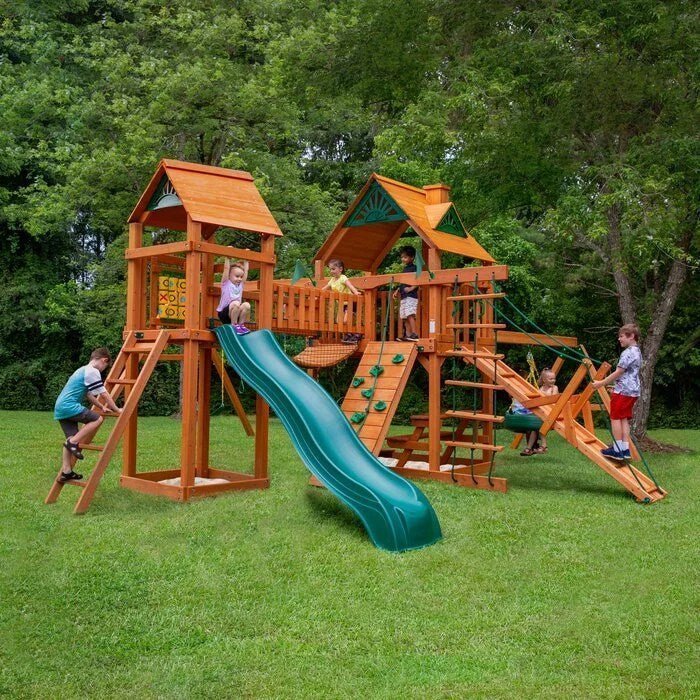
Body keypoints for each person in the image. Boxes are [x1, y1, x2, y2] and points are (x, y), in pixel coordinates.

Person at [54, 347, 122, 483]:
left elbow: (89, 394)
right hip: (69, 406)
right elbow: (104, 393)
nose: (102, 370)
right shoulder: (93, 371)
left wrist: (101, 406)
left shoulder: (82, 370)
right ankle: (73, 443)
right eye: (105, 367)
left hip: (60, 408)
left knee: (70, 438)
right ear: (104, 360)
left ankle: (66, 472)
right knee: (97, 419)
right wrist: (116, 409)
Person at [591, 323, 642, 460]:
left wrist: (601, 383)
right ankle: (624, 449)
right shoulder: (637, 351)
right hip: (632, 391)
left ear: (631, 336)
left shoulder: (628, 352)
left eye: (621, 336)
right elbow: (627, 374)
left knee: (615, 418)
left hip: (624, 391)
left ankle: (617, 450)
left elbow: (619, 372)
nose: (619, 339)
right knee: (623, 418)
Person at [321, 258, 362, 343]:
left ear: (340, 269)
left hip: (350, 302)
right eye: (330, 269)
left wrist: (355, 292)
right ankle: (349, 334)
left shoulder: (343, 278)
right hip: (342, 304)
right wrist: (317, 294)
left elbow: (350, 285)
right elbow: (324, 289)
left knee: (345, 320)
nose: (331, 271)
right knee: (338, 321)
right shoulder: (332, 280)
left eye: (333, 269)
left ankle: (356, 333)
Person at [217, 258, 251, 335]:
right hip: (225, 314)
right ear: (229, 276)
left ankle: (241, 325)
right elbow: (226, 269)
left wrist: (246, 261)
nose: (239, 279)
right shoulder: (226, 283)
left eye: (241, 277)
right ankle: (234, 325)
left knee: (246, 305)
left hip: (236, 312)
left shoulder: (240, 285)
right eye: (237, 276)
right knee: (236, 303)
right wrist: (227, 258)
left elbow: (246, 271)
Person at [392, 245, 419, 341]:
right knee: (404, 316)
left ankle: (414, 334)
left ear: (412, 257)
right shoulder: (405, 269)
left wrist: (412, 288)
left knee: (410, 314)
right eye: (402, 257)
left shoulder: (415, 268)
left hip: (411, 296)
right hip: (404, 296)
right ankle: (408, 335)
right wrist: (397, 290)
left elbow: (419, 280)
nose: (403, 259)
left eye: (405, 257)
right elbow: (402, 282)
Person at [536, 368, 559, 453]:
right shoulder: (541, 388)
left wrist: (541, 394)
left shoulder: (554, 388)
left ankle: (543, 445)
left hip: (551, 411)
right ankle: (541, 445)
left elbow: (553, 398)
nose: (553, 380)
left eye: (554, 378)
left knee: (541, 425)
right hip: (542, 411)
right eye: (551, 379)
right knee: (536, 424)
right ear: (544, 380)